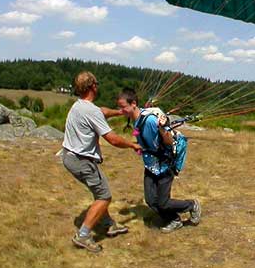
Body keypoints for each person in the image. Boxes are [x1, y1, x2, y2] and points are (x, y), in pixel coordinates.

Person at [62, 72, 142, 253]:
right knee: (104, 196)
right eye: (96, 84)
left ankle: (108, 224)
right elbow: (112, 139)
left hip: (71, 157)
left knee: (100, 190)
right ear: (93, 87)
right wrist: (132, 144)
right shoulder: (90, 111)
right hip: (81, 161)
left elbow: (102, 112)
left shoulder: (80, 105)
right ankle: (82, 235)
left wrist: (120, 112)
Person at [116, 88, 201, 233]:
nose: (121, 111)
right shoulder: (136, 120)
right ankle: (173, 219)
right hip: (150, 165)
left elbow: (168, 141)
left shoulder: (149, 120)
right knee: (150, 201)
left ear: (134, 104)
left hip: (164, 166)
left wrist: (162, 129)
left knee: (163, 203)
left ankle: (192, 205)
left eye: (123, 107)